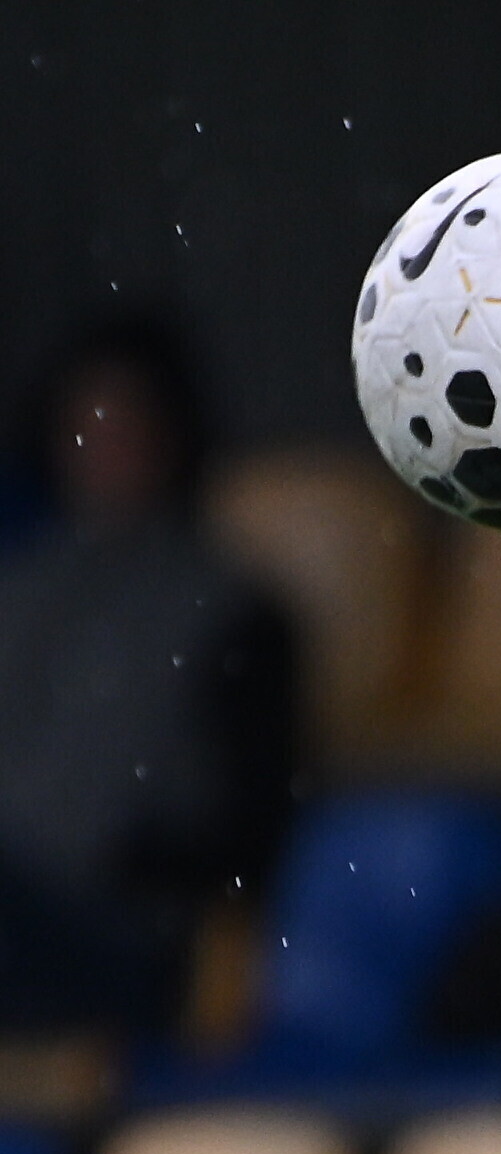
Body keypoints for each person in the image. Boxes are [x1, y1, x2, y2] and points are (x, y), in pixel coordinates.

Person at [0, 313, 296, 1030]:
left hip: (114, 936)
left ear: (171, 434)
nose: (103, 447)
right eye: (84, 426)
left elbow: (241, 830)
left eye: (123, 423)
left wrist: (132, 864)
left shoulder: (233, 612)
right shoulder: (20, 588)